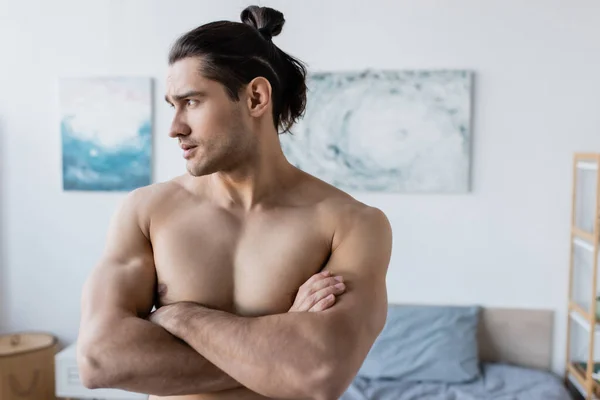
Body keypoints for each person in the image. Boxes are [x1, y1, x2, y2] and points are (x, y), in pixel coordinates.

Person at [77, 5, 392, 400]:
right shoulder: (147, 213)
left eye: (191, 102)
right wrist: (278, 353)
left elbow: (320, 373)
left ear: (256, 97)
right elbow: (99, 360)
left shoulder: (349, 225)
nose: (175, 127)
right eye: (172, 106)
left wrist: (179, 315)